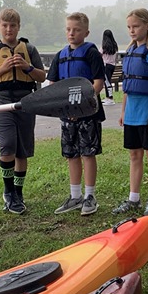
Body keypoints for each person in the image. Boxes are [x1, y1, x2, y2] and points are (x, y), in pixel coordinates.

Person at [0, 8, 45, 214]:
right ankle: (8, 193)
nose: (9, 29)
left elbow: (41, 77)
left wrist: (27, 67)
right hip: (0, 101)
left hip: (25, 101)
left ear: (18, 27)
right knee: (7, 146)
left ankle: (18, 192)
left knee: (22, 150)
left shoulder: (29, 48)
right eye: (5, 25)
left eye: (12, 25)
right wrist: (2, 69)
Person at [49, 12, 106, 216]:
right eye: (68, 29)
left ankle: (90, 196)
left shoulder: (91, 53)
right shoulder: (60, 56)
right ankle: (75, 196)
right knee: (71, 154)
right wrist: (65, 108)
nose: (71, 33)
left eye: (76, 30)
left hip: (88, 113)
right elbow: (53, 85)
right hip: (66, 116)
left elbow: (98, 83)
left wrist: (80, 107)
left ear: (86, 32)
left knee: (87, 153)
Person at [113, 8, 148, 217]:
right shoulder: (130, 52)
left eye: (135, 26)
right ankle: (133, 198)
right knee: (134, 155)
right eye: (129, 27)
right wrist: (123, 112)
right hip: (132, 114)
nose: (132, 30)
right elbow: (127, 87)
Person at [101, 29, 119, 104]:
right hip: (112, 66)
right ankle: (108, 97)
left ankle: (110, 98)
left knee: (107, 82)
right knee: (107, 81)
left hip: (106, 66)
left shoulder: (104, 47)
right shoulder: (114, 46)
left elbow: (99, 54)